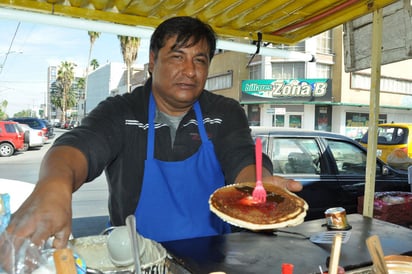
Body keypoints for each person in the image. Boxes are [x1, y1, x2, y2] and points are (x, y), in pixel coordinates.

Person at [6, 16, 302, 247]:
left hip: (210, 258)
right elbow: (76, 147)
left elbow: (241, 156)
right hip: (135, 260)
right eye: (177, 56)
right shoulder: (122, 112)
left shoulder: (223, 113)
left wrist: (257, 187)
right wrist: (54, 185)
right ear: (152, 60)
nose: (189, 70)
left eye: (200, 60)